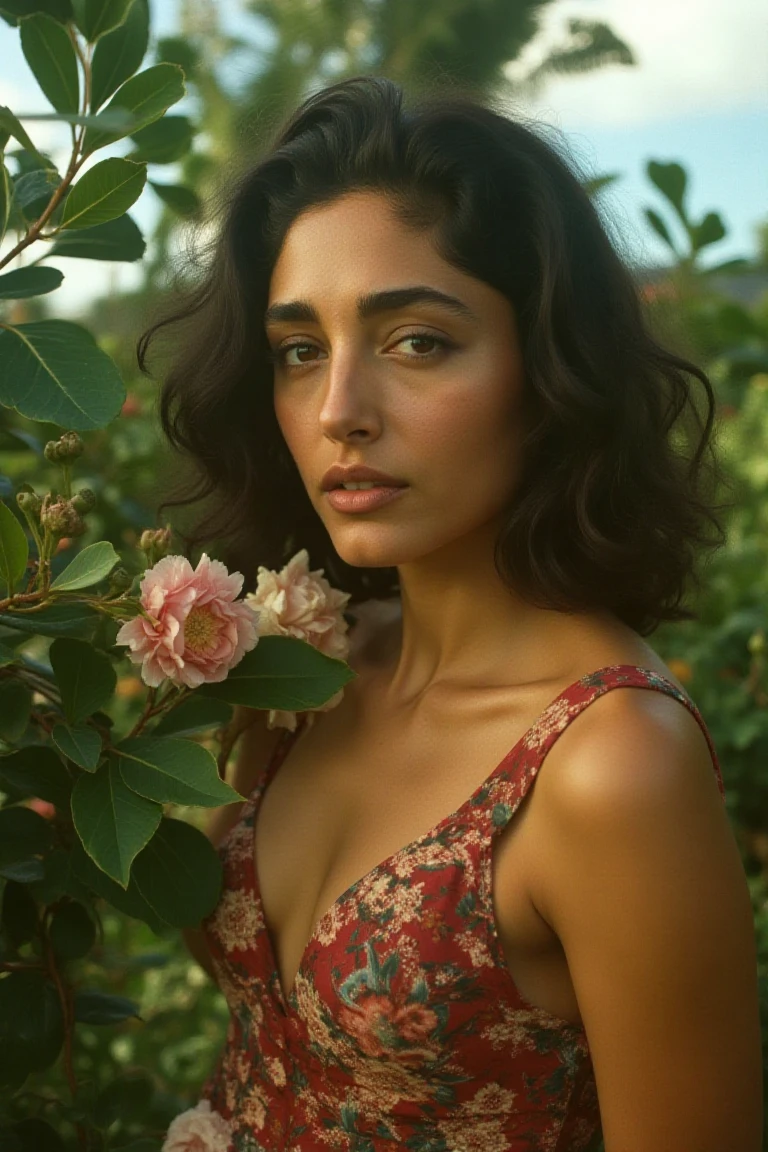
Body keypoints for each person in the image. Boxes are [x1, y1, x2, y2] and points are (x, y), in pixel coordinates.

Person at [141, 76, 762, 1151]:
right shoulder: (307, 668)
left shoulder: (609, 766)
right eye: (300, 350)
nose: (340, 411)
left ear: (548, 366)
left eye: (416, 340)